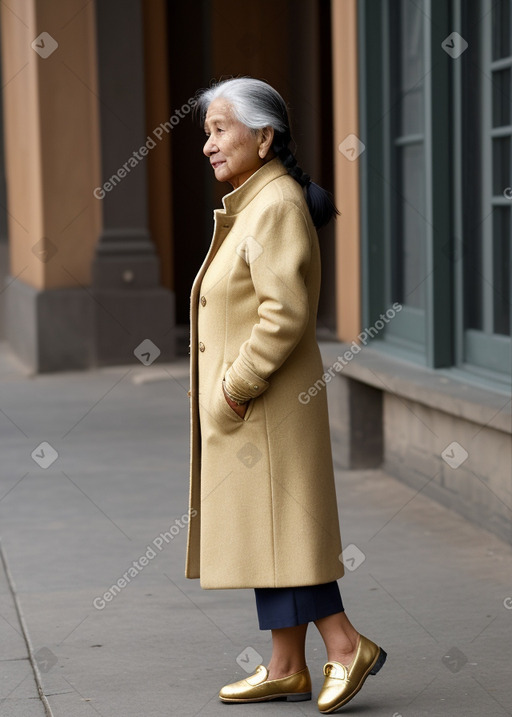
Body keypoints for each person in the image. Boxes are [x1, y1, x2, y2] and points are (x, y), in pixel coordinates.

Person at [185, 76, 386, 714]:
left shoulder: (274, 205)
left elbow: (285, 313)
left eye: (220, 130)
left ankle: (346, 645)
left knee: (283, 533)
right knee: (268, 534)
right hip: (257, 407)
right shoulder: (257, 200)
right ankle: (286, 665)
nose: (208, 145)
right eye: (206, 134)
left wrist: (236, 388)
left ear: (264, 136)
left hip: (264, 404)